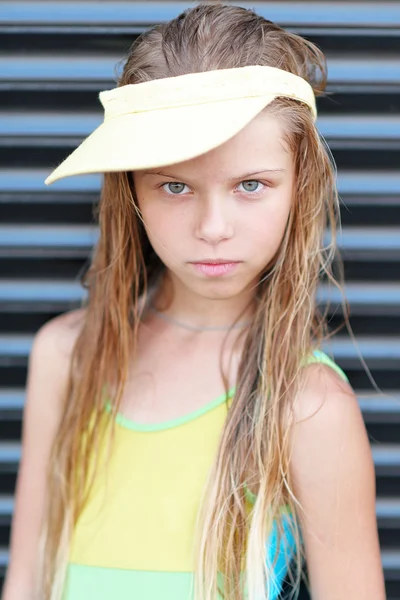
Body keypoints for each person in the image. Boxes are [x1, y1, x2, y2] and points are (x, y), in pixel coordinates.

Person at [3, 2, 385, 600]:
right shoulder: (67, 357)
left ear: (299, 185)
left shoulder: (308, 406)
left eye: (250, 185)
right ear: (130, 187)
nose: (212, 227)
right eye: (175, 186)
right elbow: (24, 582)